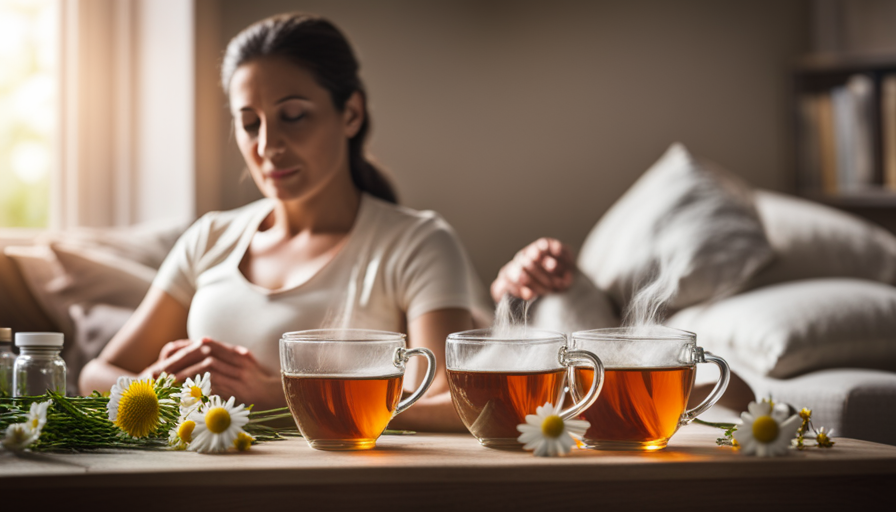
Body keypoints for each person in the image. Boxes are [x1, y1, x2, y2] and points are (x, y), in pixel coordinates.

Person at [80, 13, 487, 431]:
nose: (268, 145)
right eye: (250, 123)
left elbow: (454, 403)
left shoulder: (416, 244)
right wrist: (152, 389)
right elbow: (96, 374)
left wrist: (284, 394)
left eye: (292, 116)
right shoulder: (210, 238)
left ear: (351, 113)